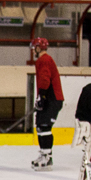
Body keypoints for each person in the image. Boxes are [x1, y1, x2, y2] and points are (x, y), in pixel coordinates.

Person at [30, 37, 64, 171]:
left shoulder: (44, 60)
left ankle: (47, 157)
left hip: (52, 98)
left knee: (44, 126)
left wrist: (42, 96)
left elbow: (45, 79)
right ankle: (43, 154)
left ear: (39, 48)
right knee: (40, 126)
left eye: (34, 48)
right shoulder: (44, 59)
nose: (33, 51)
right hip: (48, 98)